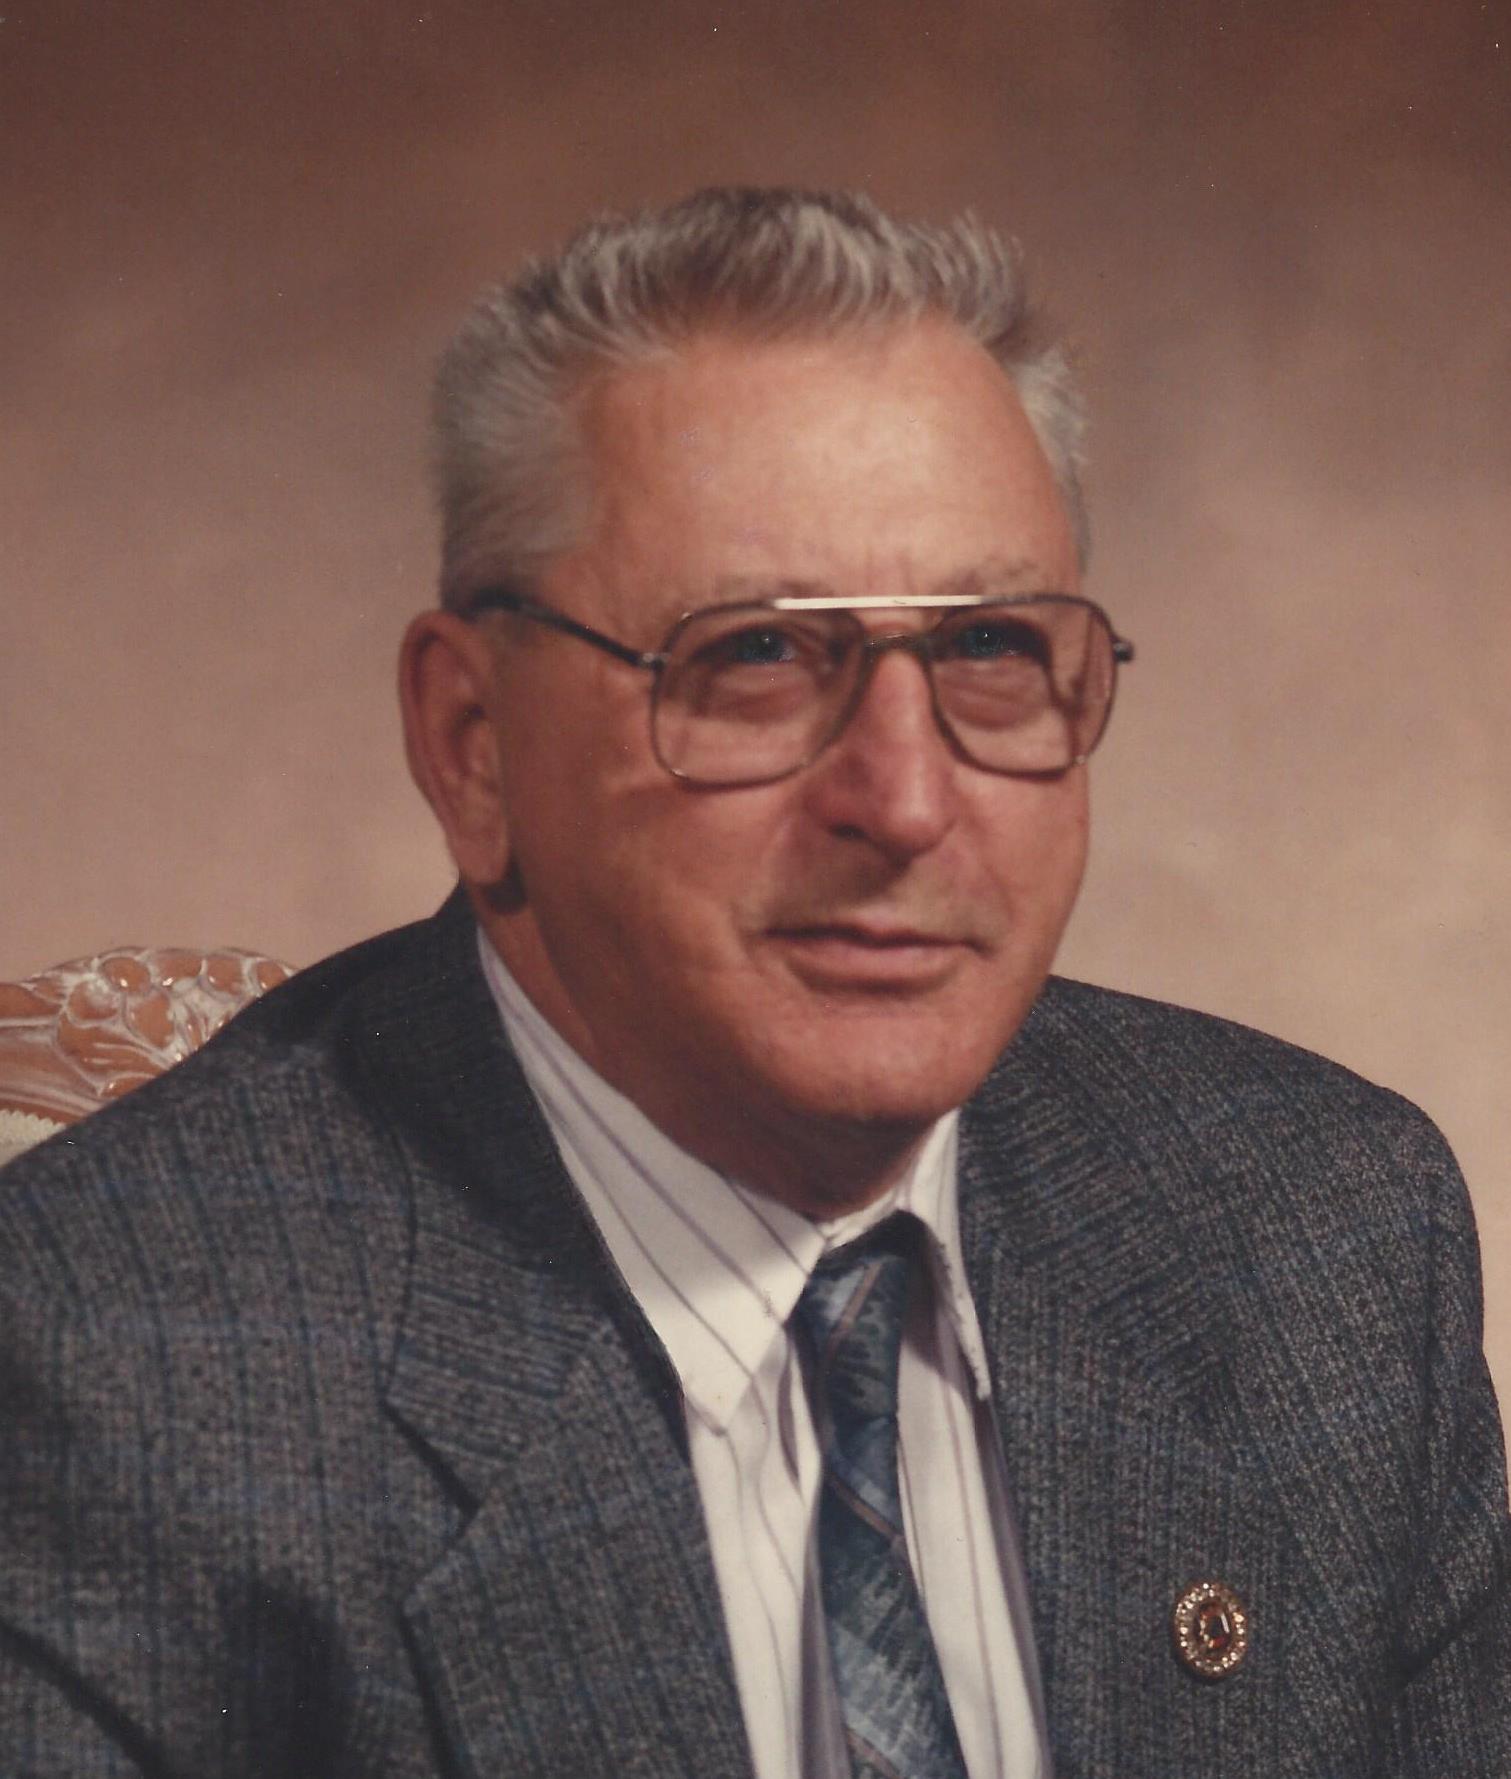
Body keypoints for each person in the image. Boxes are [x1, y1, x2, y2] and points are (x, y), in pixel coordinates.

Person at [1, 187, 1507, 1779]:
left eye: (990, 648)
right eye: (759, 657)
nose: (904, 800)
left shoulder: (1322, 1236)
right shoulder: (115, 1361)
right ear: (473, 745)